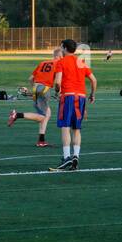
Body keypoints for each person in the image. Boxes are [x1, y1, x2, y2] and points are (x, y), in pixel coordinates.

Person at [50, 40, 97, 172]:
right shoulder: (81, 62)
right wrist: (92, 95)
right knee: (77, 128)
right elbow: (94, 80)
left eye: (61, 47)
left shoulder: (61, 62)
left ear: (64, 48)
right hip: (81, 97)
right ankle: (75, 156)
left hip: (68, 96)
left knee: (65, 127)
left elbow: (58, 83)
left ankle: (66, 158)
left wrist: (56, 91)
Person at [10, 47, 58, 146]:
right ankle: (17, 115)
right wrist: (58, 93)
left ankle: (41, 140)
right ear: (60, 56)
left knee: (47, 113)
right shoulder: (59, 64)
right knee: (42, 117)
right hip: (45, 89)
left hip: (36, 87)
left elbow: (31, 78)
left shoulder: (43, 63)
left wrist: (35, 89)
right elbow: (58, 82)